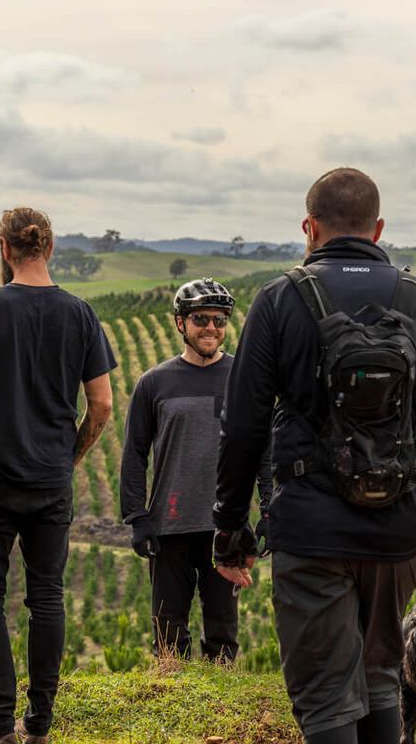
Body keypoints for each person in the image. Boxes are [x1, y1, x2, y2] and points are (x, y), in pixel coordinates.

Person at [212, 167, 416, 744]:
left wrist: (229, 525)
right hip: (398, 529)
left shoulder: (279, 299)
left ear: (309, 227)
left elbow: (243, 428)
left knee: (324, 697)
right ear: (378, 229)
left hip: (310, 529)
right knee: (380, 679)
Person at [0, 208, 116, 744]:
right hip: (49, 481)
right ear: (50, 247)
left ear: (4, 249)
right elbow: (103, 405)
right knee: (46, 596)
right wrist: (71, 456)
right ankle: (39, 723)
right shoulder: (80, 314)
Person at [119, 278, 270, 662]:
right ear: (180, 323)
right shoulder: (153, 383)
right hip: (169, 524)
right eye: (201, 319)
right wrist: (137, 517)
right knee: (168, 635)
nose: (211, 328)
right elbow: (134, 455)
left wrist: (270, 510)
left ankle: (222, 698)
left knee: (223, 633)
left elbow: (264, 450)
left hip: (227, 526)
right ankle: (168, 694)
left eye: (220, 320)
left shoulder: (243, 379)